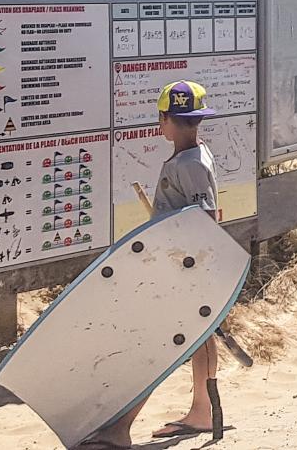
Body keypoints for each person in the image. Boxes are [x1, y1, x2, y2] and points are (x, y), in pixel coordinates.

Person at [81, 81, 223, 448]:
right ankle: (202, 411)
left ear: (165, 119)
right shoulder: (194, 155)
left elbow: (204, 221)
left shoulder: (189, 164)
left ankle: (120, 429)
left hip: (182, 269)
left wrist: (182, 265)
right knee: (197, 337)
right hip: (186, 267)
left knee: (155, 345)